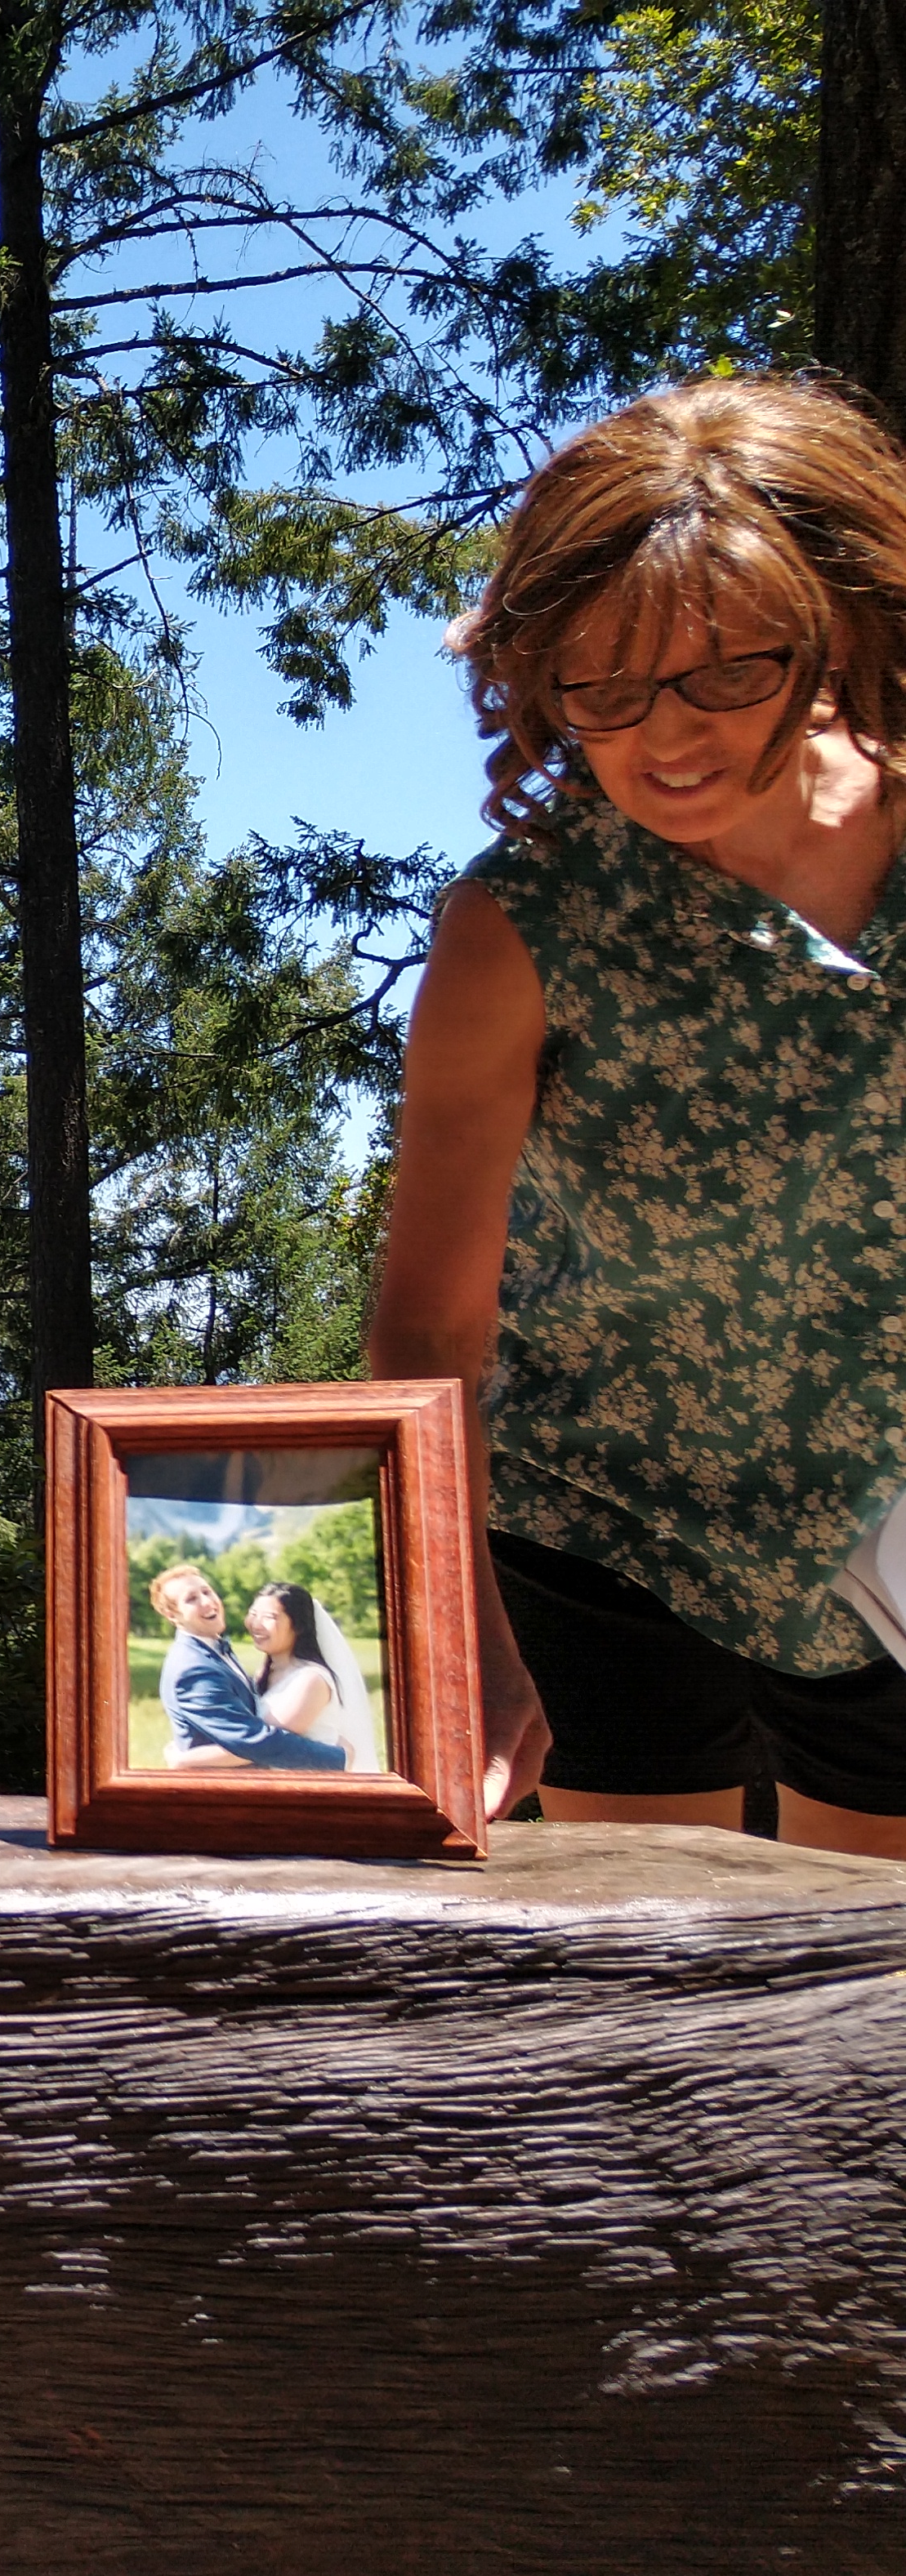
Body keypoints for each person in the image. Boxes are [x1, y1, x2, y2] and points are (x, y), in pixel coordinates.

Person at [367, 377, 906, 1858]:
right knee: (646, 1988)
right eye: (600, 689)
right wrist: (451, 1627)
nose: (659, 737)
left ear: (834, 625)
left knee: (869, 2008)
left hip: (886, 1547)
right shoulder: (516, 925)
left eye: (721, 675)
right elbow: (425, 1332)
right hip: (599, 1538)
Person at [152, 1567, 346, 1772]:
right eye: (191, 1599)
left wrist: (185, 1759)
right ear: (172, 1615)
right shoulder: (194, 1668)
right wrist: (337, 1758)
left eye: (207, 1591)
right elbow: (250, 1741)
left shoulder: (215, 1650)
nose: (207, 1602)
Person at [245, 1583, 376, 1772]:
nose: (256, 1624)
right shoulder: (265, 1673)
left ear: (298, 1626)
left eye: (270, 1617)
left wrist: (190, 1759)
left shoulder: (312, 1680)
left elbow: (262, 1743)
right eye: (254, 1614)